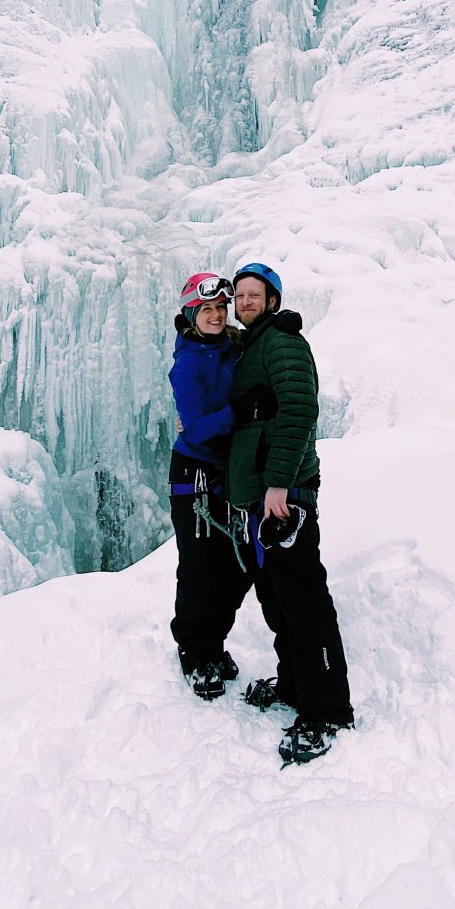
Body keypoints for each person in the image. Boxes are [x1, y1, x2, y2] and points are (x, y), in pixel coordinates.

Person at [227, 261, 355, 767]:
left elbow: (300, 408)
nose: (245, 302)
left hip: (284, 494)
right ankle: (298, 685)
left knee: (303, 602)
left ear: (273, 300)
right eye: (240, 296)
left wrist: (280, 480)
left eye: (255, 295)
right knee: (278, 601)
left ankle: (327, 710)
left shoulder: (281, 341)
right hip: (262, 497)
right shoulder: (253, 345)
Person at [167, 273, 264, 702]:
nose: (216, 314)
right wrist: (238, 413)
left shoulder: (233, 347)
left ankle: (214, 641)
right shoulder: (187, 363)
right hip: (194, 476)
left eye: (221, 309)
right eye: (207, 309)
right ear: (191, 314)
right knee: (199, 567)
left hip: (227, 473)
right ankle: (195, 651)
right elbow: (196, 430)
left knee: (236, 566)